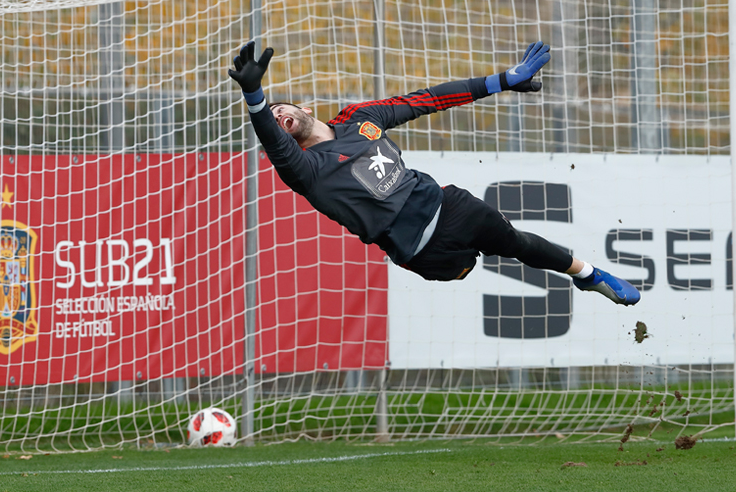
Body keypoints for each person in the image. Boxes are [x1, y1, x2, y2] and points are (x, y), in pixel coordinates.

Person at [228, 41, 640, 306]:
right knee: (465, 269)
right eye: (273, 119)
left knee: (514, 241)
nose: (278, 116)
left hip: (447, 205)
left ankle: (588, 274)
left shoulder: (359, 118)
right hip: (422, 252)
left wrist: (501, 81)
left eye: (281, 108)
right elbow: (275, 143)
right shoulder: (306, 170)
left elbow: (426, 100)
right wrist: (255, 97)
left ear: (304, 109)